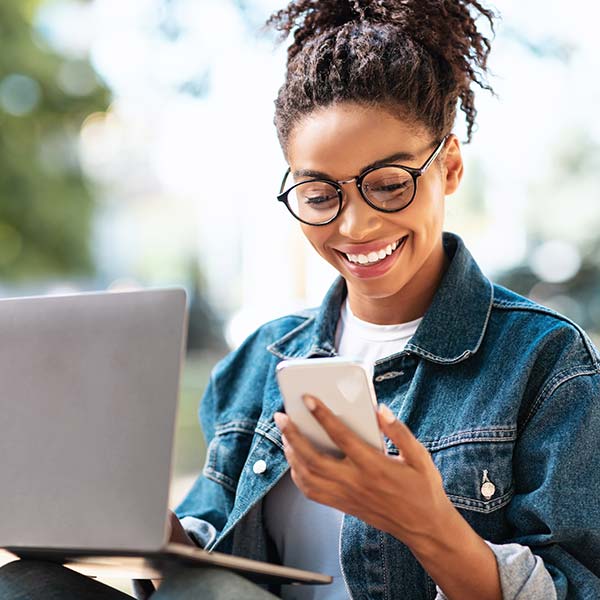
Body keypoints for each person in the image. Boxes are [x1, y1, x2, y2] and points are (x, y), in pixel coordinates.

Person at [2, 0, 599, 599]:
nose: (356, 226)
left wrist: (428, 524)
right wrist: (144, 534)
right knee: (26, 583)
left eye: (390, 185)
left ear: (448, 166)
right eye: (318, 195)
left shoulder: (541, 360)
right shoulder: (260, 359)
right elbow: (202, 571)